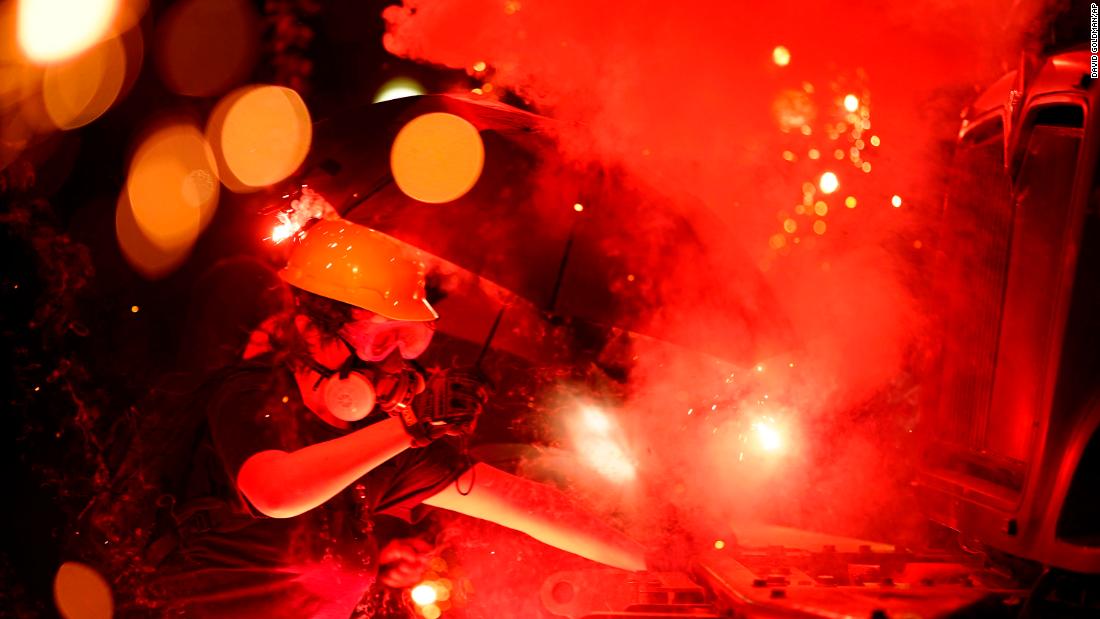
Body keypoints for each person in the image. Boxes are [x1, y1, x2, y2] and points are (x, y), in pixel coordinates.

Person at [150, 218, 646, 618]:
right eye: (379, 338)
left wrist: (657, 560)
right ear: (311, 331)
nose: (397, 362)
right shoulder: (250, 395)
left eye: (409, 339)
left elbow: (530, 506)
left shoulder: (383, 445)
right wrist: (408, 428)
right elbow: (276, 493)